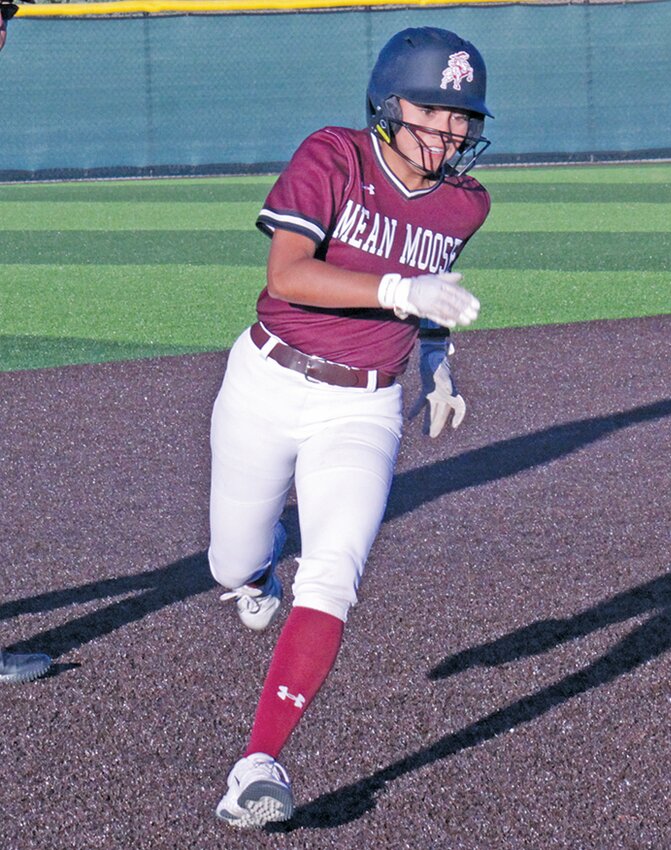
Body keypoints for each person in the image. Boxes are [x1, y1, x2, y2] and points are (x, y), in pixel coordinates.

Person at [208, 26, 493, 829]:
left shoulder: (468, 201)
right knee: (232, 559)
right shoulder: (334, 154)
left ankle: (257, 765)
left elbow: (431, 291)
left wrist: (436, 359)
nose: (449, 132)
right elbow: (289, 273)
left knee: (334, 573)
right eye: (431, 111)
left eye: (462, 117)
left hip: (364, 404)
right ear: (387, 103)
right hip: (267, 379)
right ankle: (254, 577)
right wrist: (404, 294)